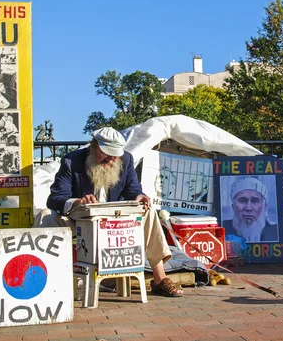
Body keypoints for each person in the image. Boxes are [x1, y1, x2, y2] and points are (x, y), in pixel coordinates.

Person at [34, 127, 184, 297]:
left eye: (115, 155)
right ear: (94, 147)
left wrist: (140, 196)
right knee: (45, 215)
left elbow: (133, 189)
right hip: (80, 219)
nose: (112, 159)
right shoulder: (71, 161)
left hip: (113, 219)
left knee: (148, 212)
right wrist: (77, 201)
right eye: (107, 153)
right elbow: (55, 198)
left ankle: (159, 278)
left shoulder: (125, 159)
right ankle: (43, 276)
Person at [222, 177, 278, 243]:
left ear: (264, 207)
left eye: (255, 201)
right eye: (242, 200)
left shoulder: (276, 231)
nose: (248, 208)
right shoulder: (223, 229)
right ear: (233, 206)